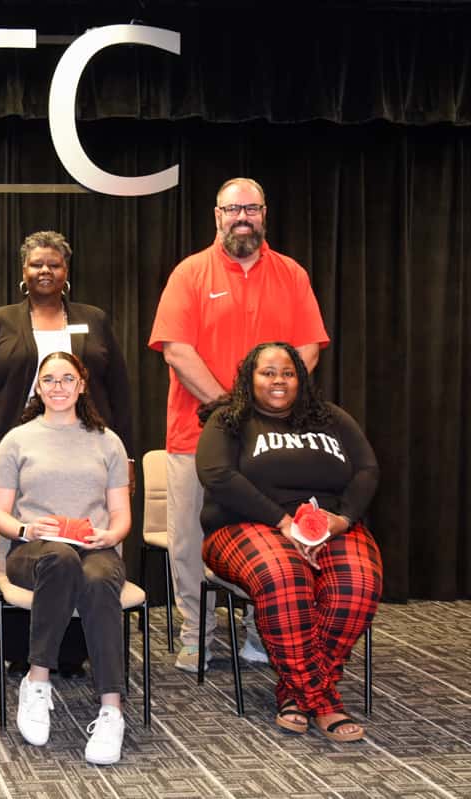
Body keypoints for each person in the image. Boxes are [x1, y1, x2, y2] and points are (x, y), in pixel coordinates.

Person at [149, 178, 331, 671]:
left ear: (265, 213)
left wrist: (267, 407)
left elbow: (309, 347)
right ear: (217, 216)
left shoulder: (291, 274)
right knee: (188, 538)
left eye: (251, 208)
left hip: (274, 440)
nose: (242, 217)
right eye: (233, 209)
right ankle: (195, 634)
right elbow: (176, 350)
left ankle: (258, 630)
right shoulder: (190, 273)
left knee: (268, 533)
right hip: (194, 433)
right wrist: (236, 410)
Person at [0, 230, 134, 675]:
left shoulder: (94, 319)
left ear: (66, 272)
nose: (45, 271)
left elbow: (121, 391)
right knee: (37, 548)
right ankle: (25, 652)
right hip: (14, 453)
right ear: (23, 272)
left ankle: (74, 654)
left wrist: (128, 456)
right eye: (36, 264)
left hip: (85, 451)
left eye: (54, 264)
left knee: (83, 553)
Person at [196, 343, 381, 742]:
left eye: (288, 373)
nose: (278, 381)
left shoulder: (332, 417)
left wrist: (342, 519)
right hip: (245, 525)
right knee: (284, 576)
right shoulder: (228, 420)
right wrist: (282, 521)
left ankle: (296, 693)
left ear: (300, 377)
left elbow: (367, 469)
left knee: (359, 583)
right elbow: (217, 476)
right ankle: (323, 699)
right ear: (250, 377)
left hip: (331, 524)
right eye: (268, 372)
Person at [0, 352, 131, 762]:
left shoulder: (109, 442)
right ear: (38, 387)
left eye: (67, 378)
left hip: (96, 549)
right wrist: (26, 529)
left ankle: (111, 710)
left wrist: (110, 534)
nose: (58, 387)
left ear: (82, 384)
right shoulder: (17, 440)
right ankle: (37, 682)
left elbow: (121, 515)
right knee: (61, 559)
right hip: (32, 551)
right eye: (49, 379)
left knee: (100, 579)